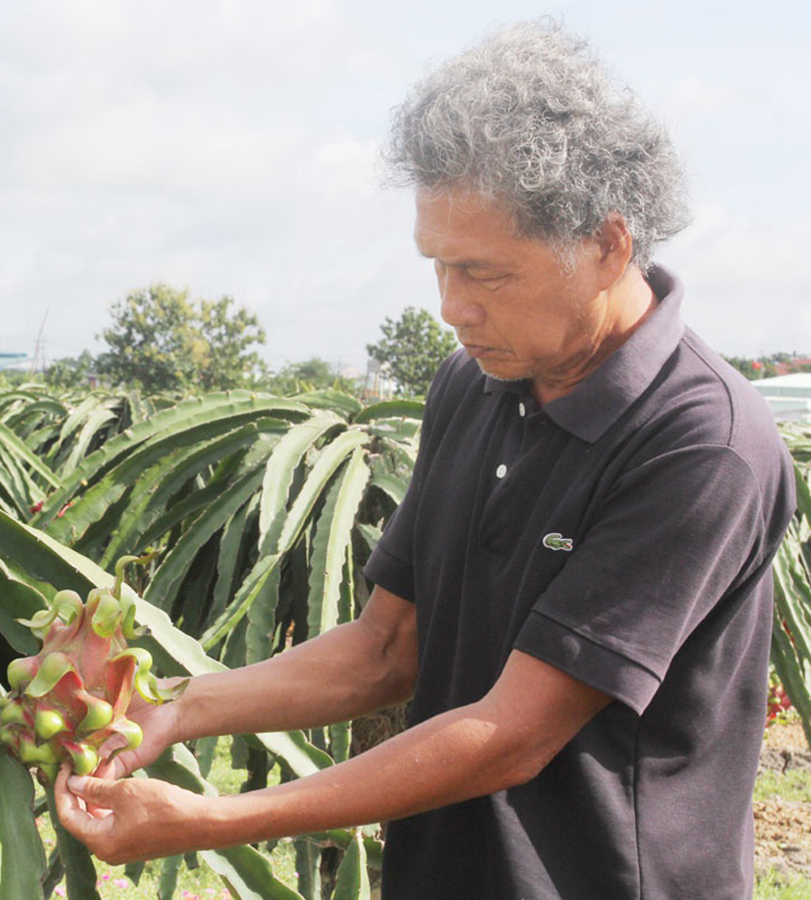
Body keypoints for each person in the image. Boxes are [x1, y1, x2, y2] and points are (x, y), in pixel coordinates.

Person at [55, 20, 797, 899]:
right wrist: (174, 708)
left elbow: (514, 734)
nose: (453, 309)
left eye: (487, 275)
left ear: (608, 245)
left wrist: (212, 820)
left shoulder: (698, 444)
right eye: (438, 268)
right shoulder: (473, 385)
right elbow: (384, 647)